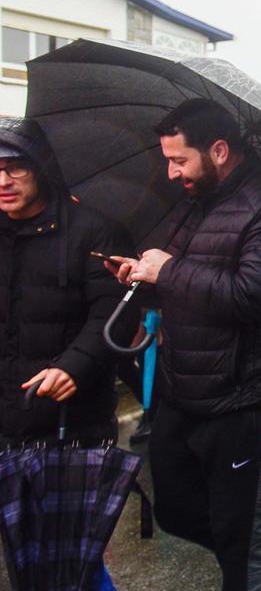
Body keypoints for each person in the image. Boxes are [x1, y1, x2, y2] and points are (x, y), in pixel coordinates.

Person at [109, 99, 261, 591]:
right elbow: (185, 281)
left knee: (241, 543)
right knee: (174, 510)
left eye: (180, 161)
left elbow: (256, 294)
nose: (172, 173)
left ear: (219, 150)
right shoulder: (197, 200)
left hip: (244, 397)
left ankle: (259, 559)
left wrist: (168, 271)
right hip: (181, 389)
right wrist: (143, 277)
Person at [0, 118, 137, 591]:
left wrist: (72, 367)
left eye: (14, 168)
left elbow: (114, 316)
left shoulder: (93, 231)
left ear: (40, 168)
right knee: (25, 559)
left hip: (70, 424)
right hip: (6, 421)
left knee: (76, 560)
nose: (2, 181)